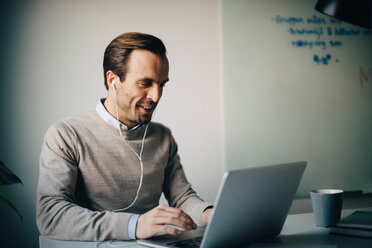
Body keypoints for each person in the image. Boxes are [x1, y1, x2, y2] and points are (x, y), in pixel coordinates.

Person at [36, 32, 213, 241]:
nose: (156, 96)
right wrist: (134, 225)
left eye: (161, 84)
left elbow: (182, 198)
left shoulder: (162, 136)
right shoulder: (66, 135)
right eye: (145, 83)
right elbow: (50, 215)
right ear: (113, 80)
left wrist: (211, 215)